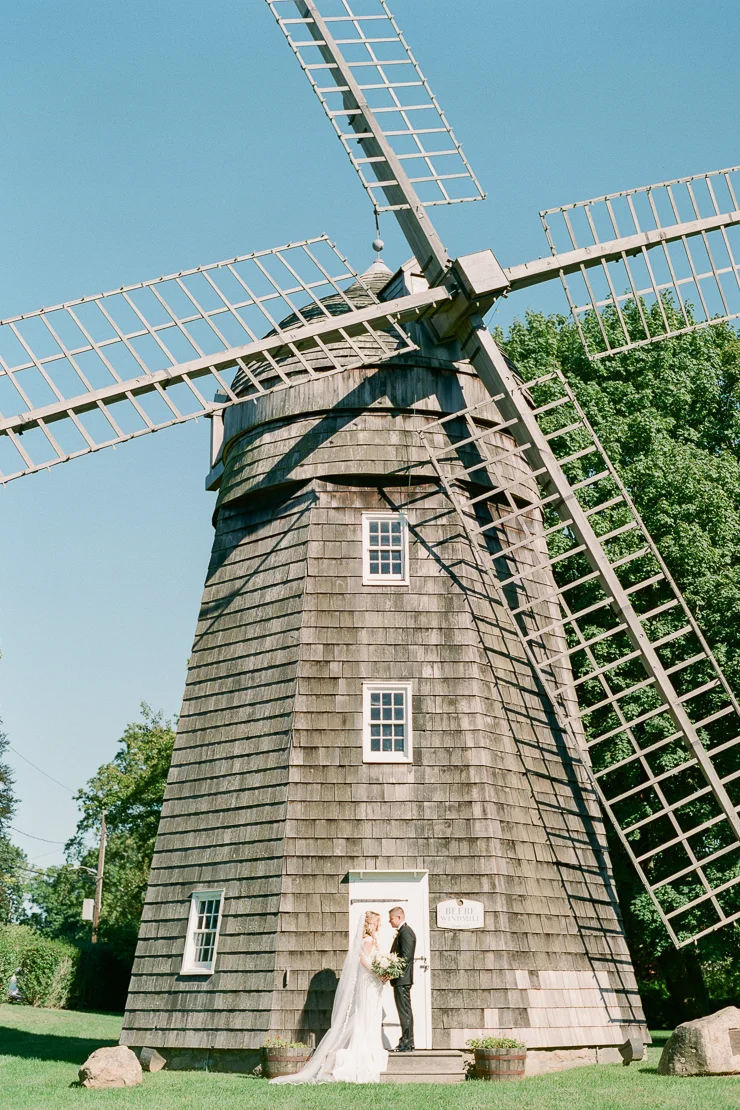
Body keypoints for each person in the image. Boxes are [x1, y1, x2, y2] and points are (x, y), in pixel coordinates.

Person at [270, 910, 389, 1084]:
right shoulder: (368, 941)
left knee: (365, 1016)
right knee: (367, 1016)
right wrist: (380, 974)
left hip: (368, 983)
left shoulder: (363, 941)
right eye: (378, 922)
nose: (380, 925)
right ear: (371, 924)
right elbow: (364, 962)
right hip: (369, 984)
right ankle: (363, 1052)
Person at [388, 906, 416, 1052]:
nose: (389, 921)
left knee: (404, 1010)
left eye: (391, 918)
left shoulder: (406, 933)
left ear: (398, 918)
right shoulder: (402, 932)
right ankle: (407, 1041)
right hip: (400, 979)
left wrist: (392, 972)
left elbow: (406, 957)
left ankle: (407, 1042)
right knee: (404, 1010)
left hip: (402, 979)